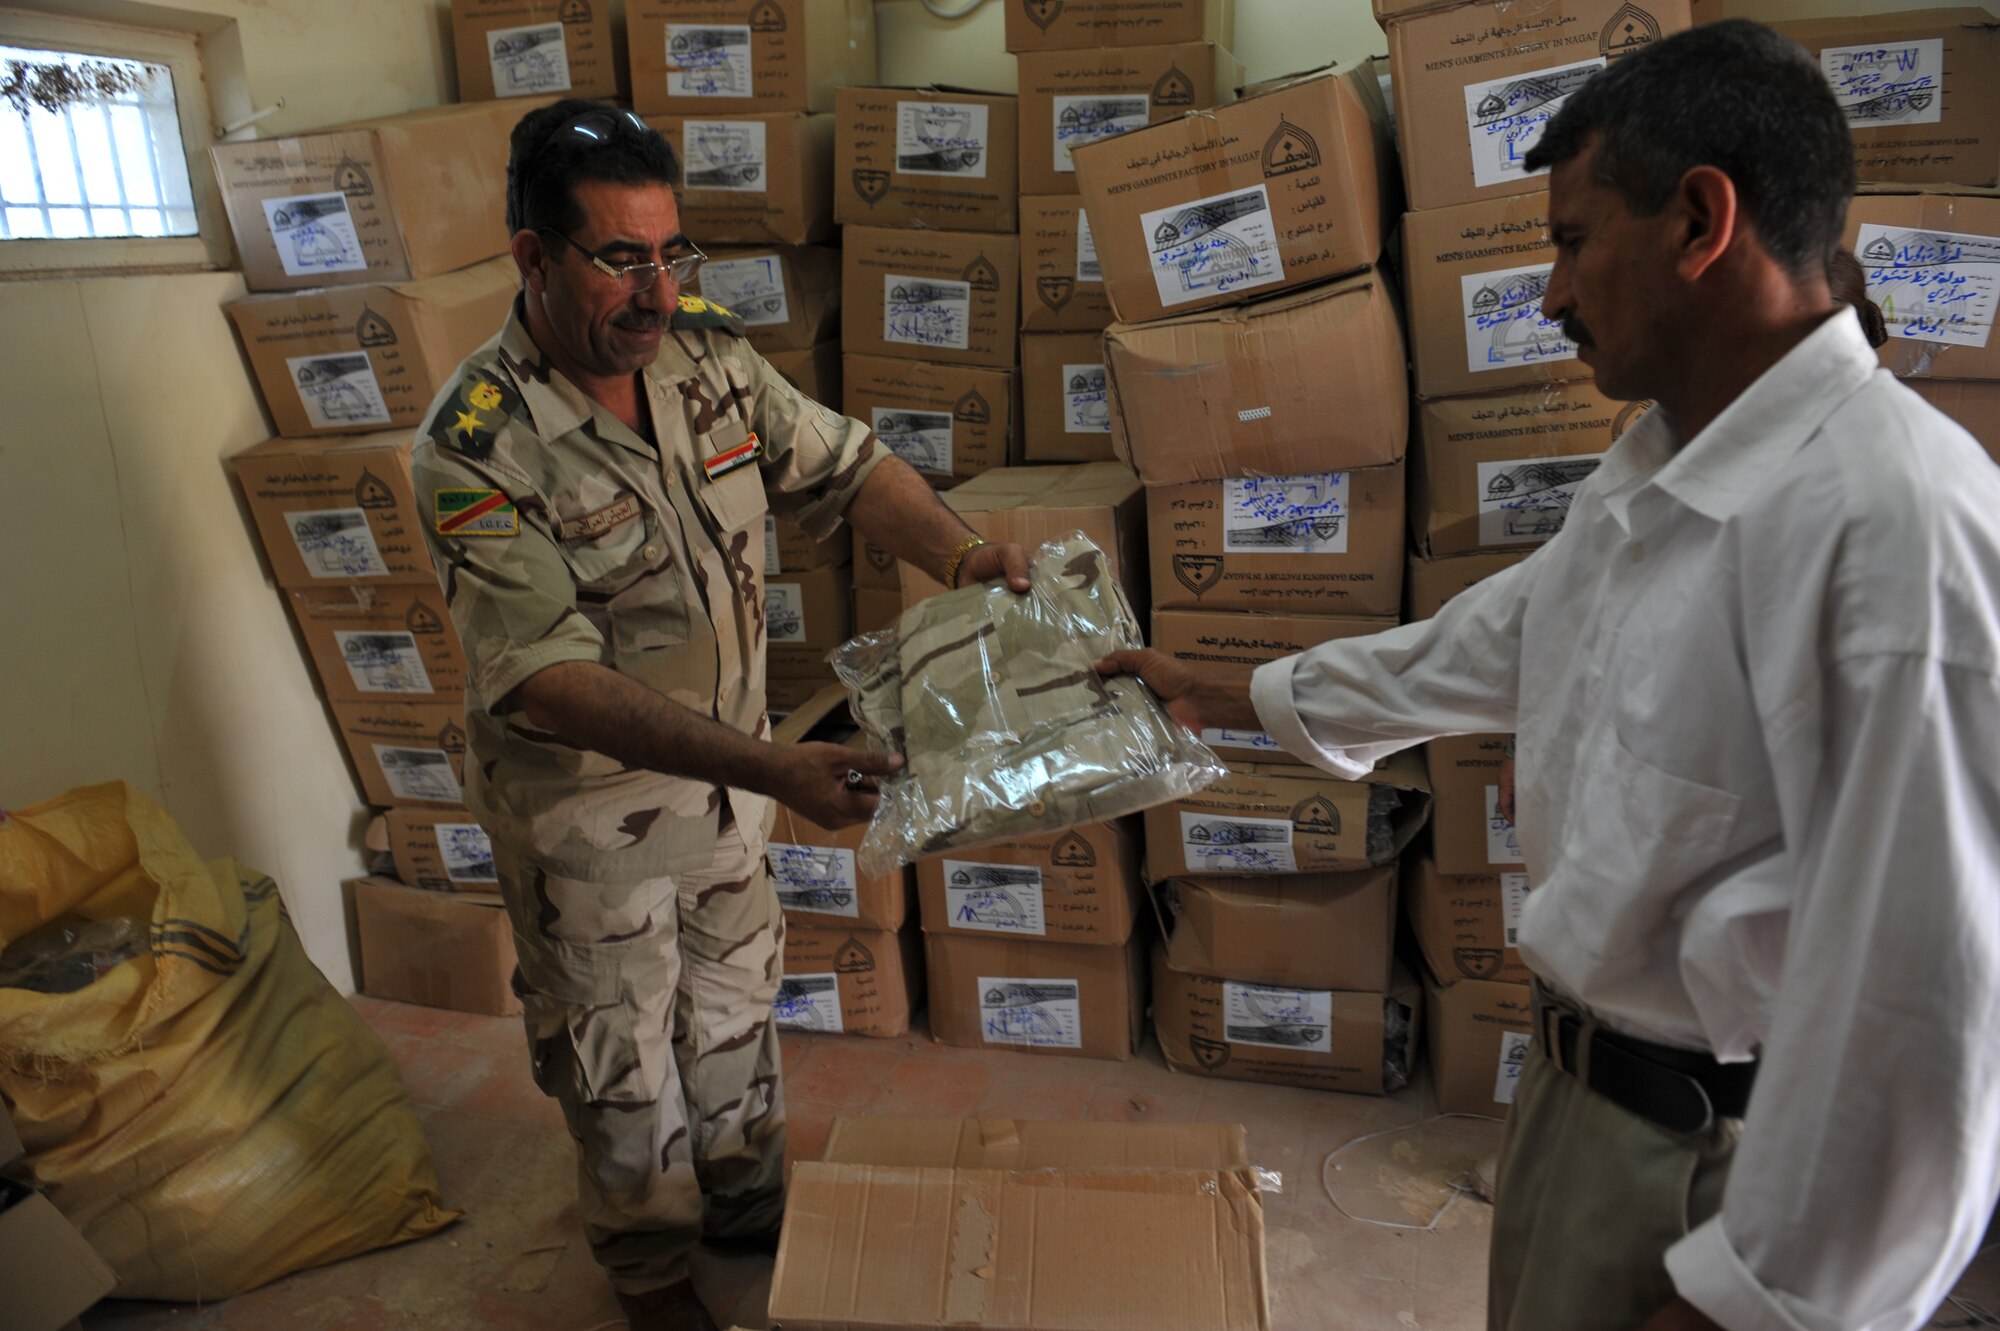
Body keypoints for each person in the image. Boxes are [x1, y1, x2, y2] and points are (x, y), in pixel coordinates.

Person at [1103, 22, 2000, 1331]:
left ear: (1701, 219)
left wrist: (1757, 1304)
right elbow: (1499, 638)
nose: (1550, 295)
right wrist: (1221, 690)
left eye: (1574, 241)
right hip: (1582, 1101)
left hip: (1717, 1177)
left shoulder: (1894, 533)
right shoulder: (1660, 471)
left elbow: (1930, 1018)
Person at [410, 99, 1028, 1331]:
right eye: (620, 258)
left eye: (669, 253)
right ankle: (648, 1271)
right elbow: (543, 675)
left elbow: (844, 466)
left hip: (734, 789)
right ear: (532, 257)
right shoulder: (475, 446)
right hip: (590, 822)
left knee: (739, 1008)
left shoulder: (701, 353)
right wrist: (778, 763)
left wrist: (963, 559)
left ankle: (749, 1209)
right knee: (621, 1056)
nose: (654, 291)